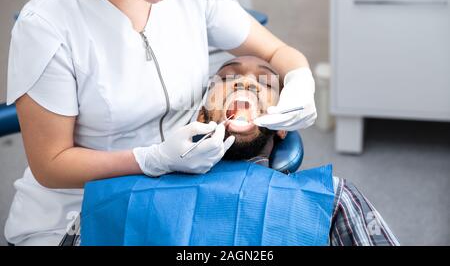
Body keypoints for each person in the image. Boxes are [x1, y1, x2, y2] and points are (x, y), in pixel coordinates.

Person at [5, 0, 317, 246]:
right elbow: (50, 165)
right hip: (79, 213)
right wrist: (151, 159)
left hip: (178, 195)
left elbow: (276, 52)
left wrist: (300, 76)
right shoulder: (47, 24)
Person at [61, 56, 400, 246]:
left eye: (267, 82)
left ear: (284, 123)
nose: (245, 83)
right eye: (226, 78)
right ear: (201, 114)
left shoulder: (333, 200)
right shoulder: (119, 196)